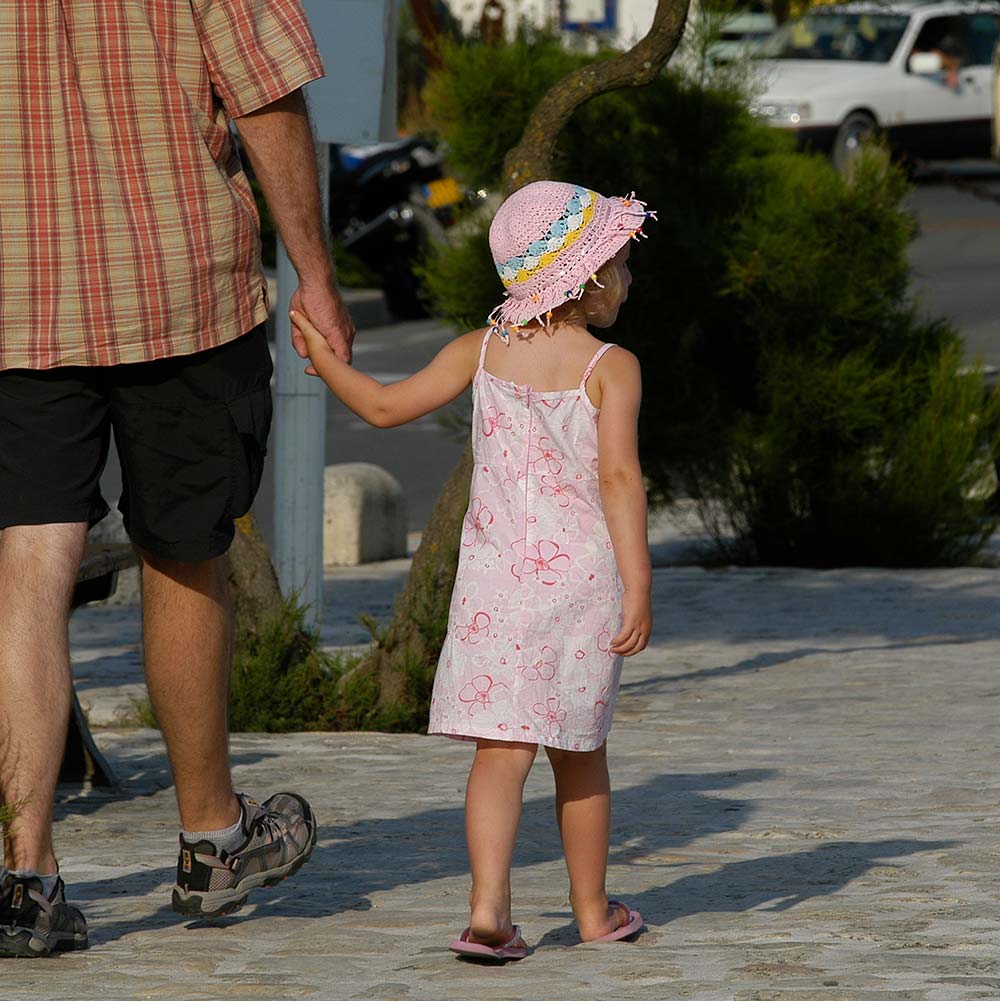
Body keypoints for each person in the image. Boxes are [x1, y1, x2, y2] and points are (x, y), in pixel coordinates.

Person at [0, 1, 354, 957]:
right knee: (185, 550)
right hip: (180, 282)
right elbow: (266, 95)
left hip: (16, 294)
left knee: (27, 569)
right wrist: (314, 273)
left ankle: (23, 878)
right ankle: (211, 840)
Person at [291, 180, 654, 961]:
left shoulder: (479, 350)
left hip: (492, 591)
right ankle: (591, 911)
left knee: (499, 753)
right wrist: (639, 582)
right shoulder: (611, 366)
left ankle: (488, 909)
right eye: (620, 261)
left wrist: (324, 358)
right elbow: (620, 479)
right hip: (581, 588)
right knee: (580, 754)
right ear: (587, 276)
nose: (627, 276)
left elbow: (385, 408)